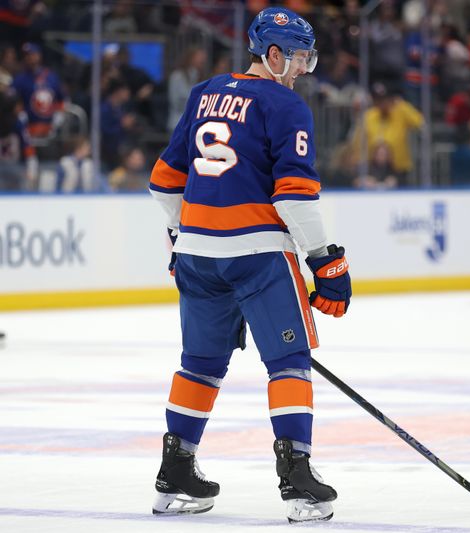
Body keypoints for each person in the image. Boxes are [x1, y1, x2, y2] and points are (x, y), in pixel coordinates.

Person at [148, 7, 351, 523]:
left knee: (200, 364)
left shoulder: (204, 92)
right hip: (258, 256)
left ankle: (175, 474)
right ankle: (298, 480)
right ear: (274, 54)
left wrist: (182, 238)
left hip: (196, 256)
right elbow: (296, 197)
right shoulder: (285, 105)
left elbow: (163, 181)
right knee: (288, 363)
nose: (304, 68)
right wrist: (326, 260)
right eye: (299, 58)